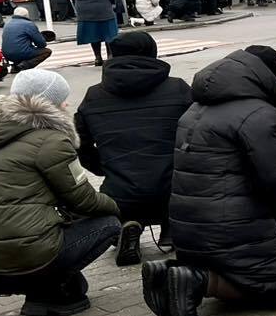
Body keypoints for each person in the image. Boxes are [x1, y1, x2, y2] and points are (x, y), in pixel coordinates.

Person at [151, 47, 276, 316]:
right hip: (228, 230)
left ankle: (169, 274)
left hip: (187, 230)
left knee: (247, 272)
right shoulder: (259, 113)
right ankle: (197, 282)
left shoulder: (196, 108)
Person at [0, 70, 121, 316]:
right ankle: (46, 290)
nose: (67, 103)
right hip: (30, 255)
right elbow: (84, 200)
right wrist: (117, 207)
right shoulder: (51, 140)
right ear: (45, 104)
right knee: (108, 223)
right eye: (61, 99)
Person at [74, 31, 192, 265]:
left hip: (120, 190)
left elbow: (80, 144)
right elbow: (199, 134)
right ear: (151, 53)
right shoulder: (178, 89)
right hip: (174, 188)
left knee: (124, 190)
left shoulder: (94, 95)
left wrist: (105, 168)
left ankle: (127, 227)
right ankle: (172, 228)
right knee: (174, 176)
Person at [72, 0, 120, 66]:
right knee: (109, 34)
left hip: (84, 11)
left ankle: (98, 57)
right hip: (102, 9)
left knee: (93, 35)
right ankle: (110, 57)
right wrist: (113, 2)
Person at [1, 6, 51, 73]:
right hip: (20, 53)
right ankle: (23, 66)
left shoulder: (7, 24)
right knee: (47, 51)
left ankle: (16, 66)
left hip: (6, 54)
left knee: (21, 48)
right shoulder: (29, 24)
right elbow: (41, 44)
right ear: (27, 15)